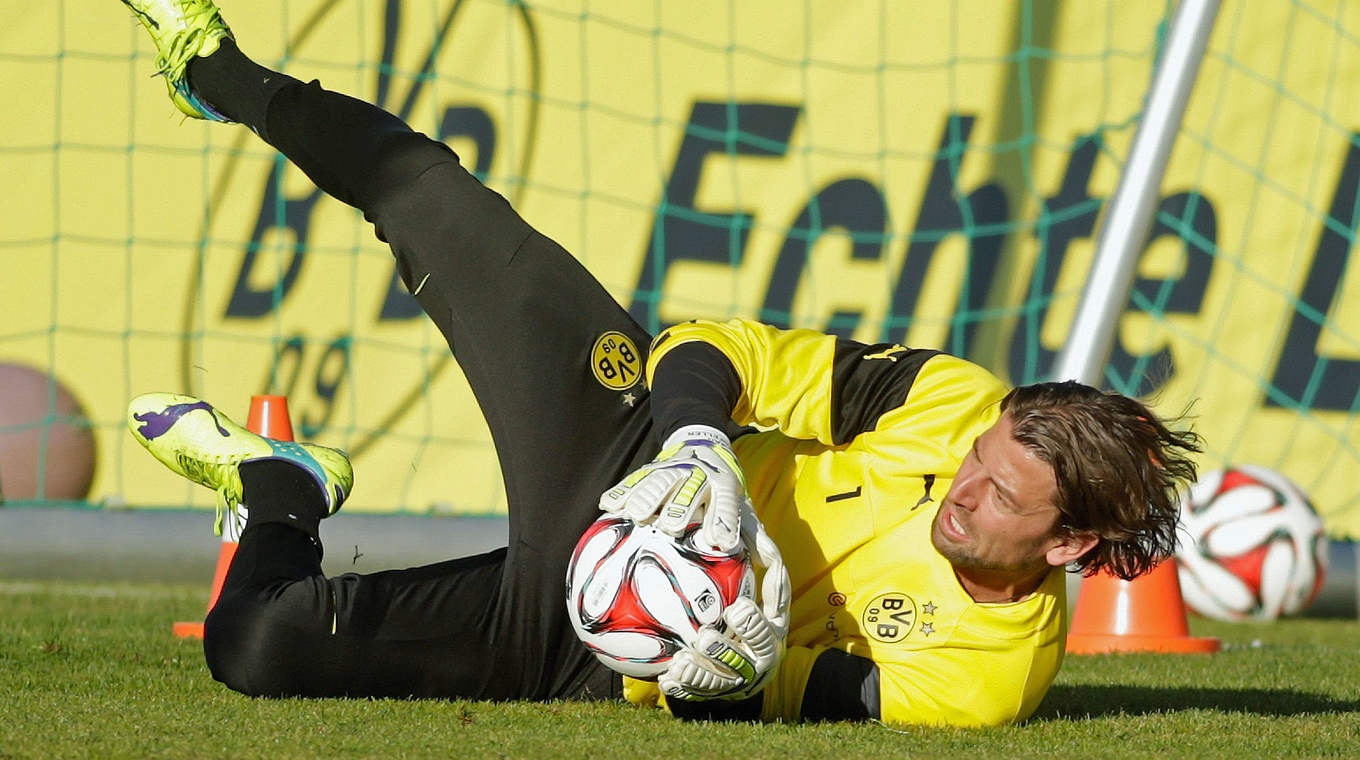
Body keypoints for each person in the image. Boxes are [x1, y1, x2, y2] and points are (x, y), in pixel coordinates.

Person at [120, 0, 1203, 726]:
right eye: (979, 457)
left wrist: (704, 649)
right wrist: (699, 448)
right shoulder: (955, 403)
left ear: (1066, 541)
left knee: (257, 649)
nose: (962, 488)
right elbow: (711, 344)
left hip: (604, 641)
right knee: (428, 199)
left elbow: (790, 697)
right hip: (633, 440)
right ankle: (220, 72)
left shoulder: (985, 676)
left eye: (999, 493)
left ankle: (280, 484)